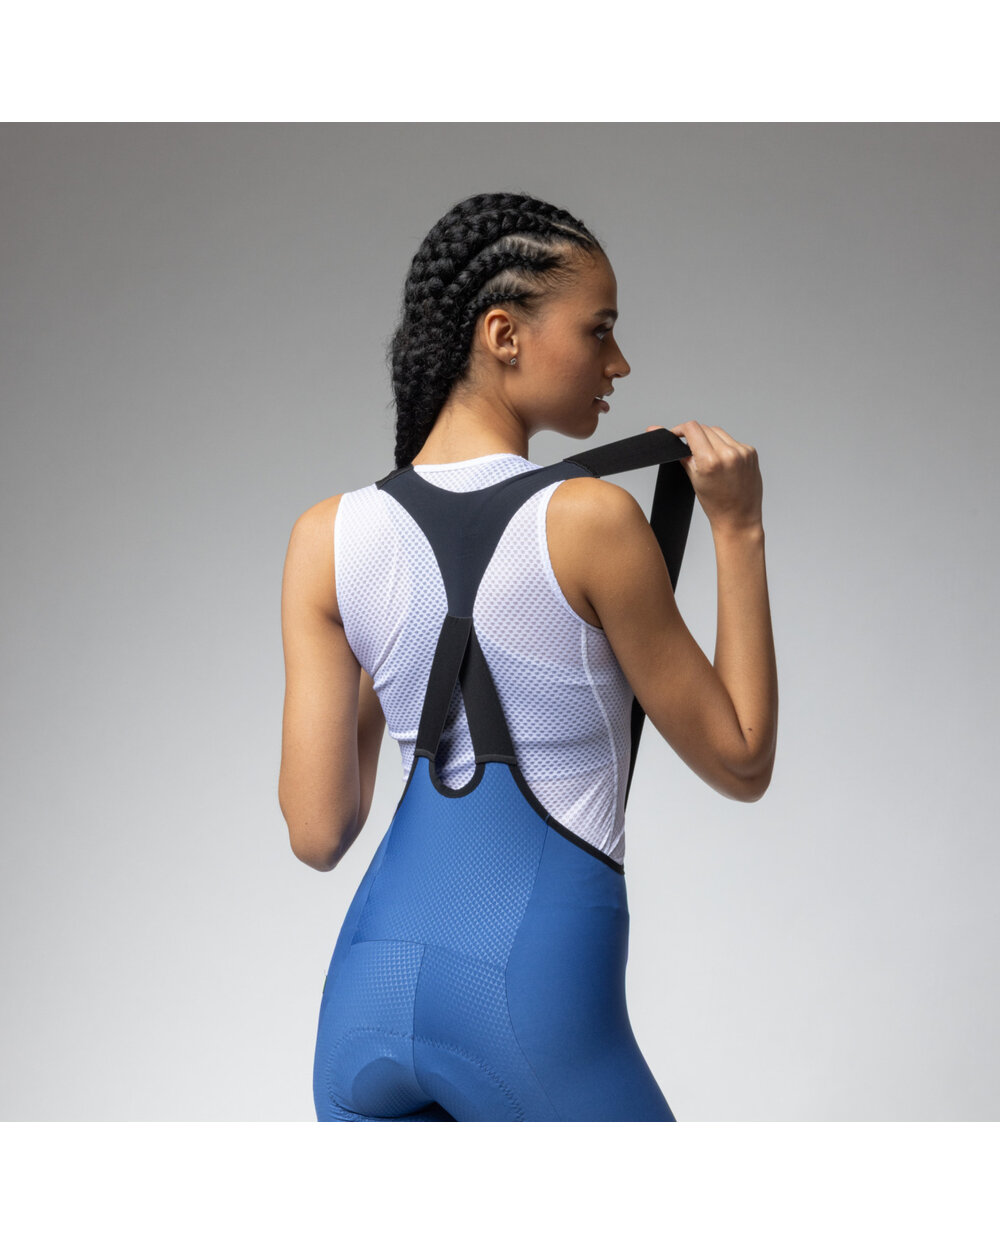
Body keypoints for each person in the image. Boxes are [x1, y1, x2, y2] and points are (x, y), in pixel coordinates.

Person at [278, 191, 777, 1121]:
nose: (618, 363)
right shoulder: (592, 519)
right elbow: (741, 759)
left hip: (366, 1001)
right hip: (523, 1004)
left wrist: (394, 636)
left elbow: (317, 833)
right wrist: (738, 528)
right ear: (503, 334)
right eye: (600, 330)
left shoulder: (326, 537)